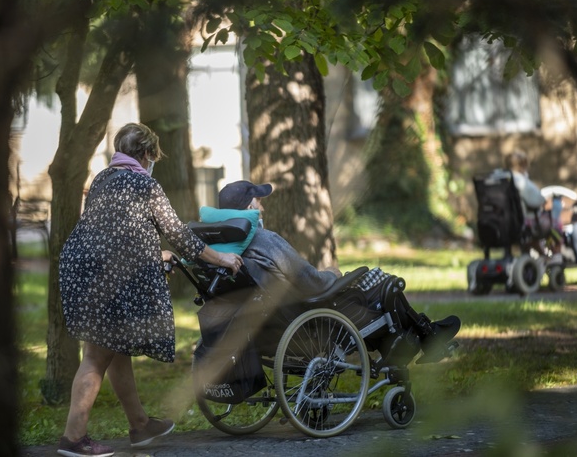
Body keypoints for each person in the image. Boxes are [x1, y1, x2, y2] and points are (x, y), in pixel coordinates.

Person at [57, 123, 243, 457]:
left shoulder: (103, 179)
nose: (152, 162)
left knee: (115, 349)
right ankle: (74, 438)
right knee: (96, 356)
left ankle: (140, 425)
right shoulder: (145, 184)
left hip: (79, 266)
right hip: (106, 273)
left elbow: (112, 232)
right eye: (152, 156)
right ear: (145, 154)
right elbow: (180, 235)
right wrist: (221, 258)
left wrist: (153, 255)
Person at [216, 180, 460, 363]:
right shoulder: (264, 240)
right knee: (386, 284)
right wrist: (332, 273)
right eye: (259, 202)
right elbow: (311, 282)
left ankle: (420, 337)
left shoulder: (224, 249)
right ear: (249, 206)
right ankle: (424, 337)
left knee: (372, 291)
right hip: (311, 314)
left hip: (270, 325)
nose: (263, 209)